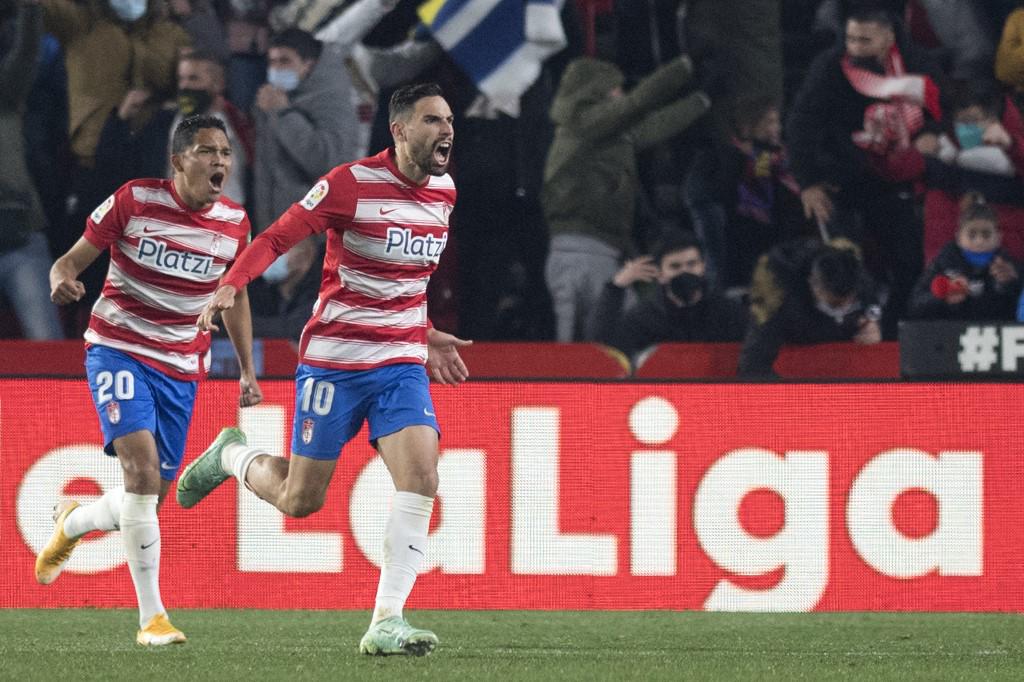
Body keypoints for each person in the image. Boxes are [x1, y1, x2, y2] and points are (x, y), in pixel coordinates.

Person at [175, 83, 470, 657]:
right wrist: (232, 282)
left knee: (422, 478)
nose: (447, 130)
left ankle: (387, 620)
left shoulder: (446, 192)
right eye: (433, 120)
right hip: (334, 365)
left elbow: (409, 277)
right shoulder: (349, 184)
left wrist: (424, 332)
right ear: (401, 130)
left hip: (399, 365)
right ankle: (230, 455)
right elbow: (276, 237)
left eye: (450, 120)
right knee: (299, 500)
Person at [35, 115, 263, 646]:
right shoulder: (135, 201)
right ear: (179, 160)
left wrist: (248, 371)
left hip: (181, 368)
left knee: (149, 498)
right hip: (118, 349)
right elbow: (70, 260)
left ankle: (72, 522)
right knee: (139, 473)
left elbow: (238, 294)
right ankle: (151, 619)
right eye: (208, 152)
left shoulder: (235, 224)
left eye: (226, 153)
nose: (221, 163)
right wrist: (61, 278)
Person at [786, 4, 942, 335]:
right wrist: (809, 182)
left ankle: (891, 334)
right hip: (837, 179)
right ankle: (843, 336)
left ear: (888, 38)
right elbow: (801, 124)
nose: (854, 47)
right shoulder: (830, 66)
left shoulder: (917, 65)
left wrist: (931, 133)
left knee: (910, 261)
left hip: (888, 179)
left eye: (864, 41)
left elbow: (944, 108)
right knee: (842, 262)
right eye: (850, 39)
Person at [542, 54, 711, 341]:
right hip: (583, 254)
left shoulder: (606, 133)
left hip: (599, 251)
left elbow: (653, 126)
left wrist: (701, 101)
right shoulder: (584, 124)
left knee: (590, 343)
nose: (621, 95)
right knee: (603, 343)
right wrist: (684, 67)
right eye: (615, 89)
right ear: (594, 92)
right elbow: (637, 104)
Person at [0, 0, 64, 339]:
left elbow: (25, 55)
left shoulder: (4, 95)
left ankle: (65, 396)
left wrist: (29, 9)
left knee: (46, 342)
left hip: (19, 234)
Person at [252, 27, 354, 232]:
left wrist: (283, 114)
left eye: (285, 61)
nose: (276, 69)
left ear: (309, 64)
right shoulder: (279, 97)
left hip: (312, 234)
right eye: (272, 62)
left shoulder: (331, 99)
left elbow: (326, 161)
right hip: (275, 228)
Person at [592, 230, 747, 362]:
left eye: (691, 264)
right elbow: (606, 350)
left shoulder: (728, 312)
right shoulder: (644, 317)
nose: (685, 271)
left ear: (702, 267)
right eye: (675, 266)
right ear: (660, 274)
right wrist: (615, 288)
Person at [737, 237, 883, 377]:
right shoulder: (774, 293)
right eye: (835, 304)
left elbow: (873, 307)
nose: (843, 309)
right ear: (814, 285)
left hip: (839, 360)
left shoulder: (854, 273)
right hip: (793, 351)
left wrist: (873, 324)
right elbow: (753, 366)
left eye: (849, 302)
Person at [908, 193, 1021, 320]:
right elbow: (915, 305)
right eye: (972, 235)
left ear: (999, 237)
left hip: (996, 335)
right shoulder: (942, 264)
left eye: (986, 234)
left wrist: (1010, 284)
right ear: (958, 236)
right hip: (949, 335)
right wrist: (943, 297)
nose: (979, 241)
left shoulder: (1010, 267)